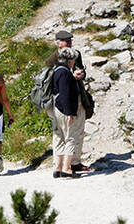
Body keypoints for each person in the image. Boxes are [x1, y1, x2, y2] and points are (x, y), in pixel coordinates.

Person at [50, 45, 87, 178]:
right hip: (65, 110)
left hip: (57, 110)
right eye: (73, 60)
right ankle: (67, 168)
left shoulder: (57, 70)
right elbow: (65, 95)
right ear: (70, 60)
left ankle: (58, 168)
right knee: (71, 138)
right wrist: (70, 113)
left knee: (59, 138)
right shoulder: (65, 73)